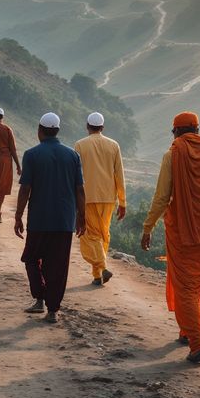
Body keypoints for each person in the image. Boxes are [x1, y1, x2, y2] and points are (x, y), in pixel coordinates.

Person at [141, 111, 200, 364]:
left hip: (183, 233)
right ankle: (186, 331)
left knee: (185, 288)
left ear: (176, 132)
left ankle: (197, 344)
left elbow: (162, 197)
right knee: (199, 284)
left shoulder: (173, 154)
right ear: (196, 129)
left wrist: (148, 226)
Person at [14, 112, 86, 324]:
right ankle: (53, 309)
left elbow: (25, 188)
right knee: (58, 265)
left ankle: (40, 298)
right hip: (64, 221)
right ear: (57, 130)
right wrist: (82, 216)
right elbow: (80, 190)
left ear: (39, 130)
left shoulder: (31, 155)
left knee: (30, 258)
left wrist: (18, 215)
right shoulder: (72, 155)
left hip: (39, 219)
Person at [73, 112, 126, 286]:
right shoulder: (114, 145)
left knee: (90, 235)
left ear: (87, 126)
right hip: (108, 198)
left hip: (86, 196)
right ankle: (97, 276)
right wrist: (123, 201)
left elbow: (76, 175)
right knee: (102, 234)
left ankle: (102, 268)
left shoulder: (80, 145)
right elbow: (119, 174)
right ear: (102, 127)